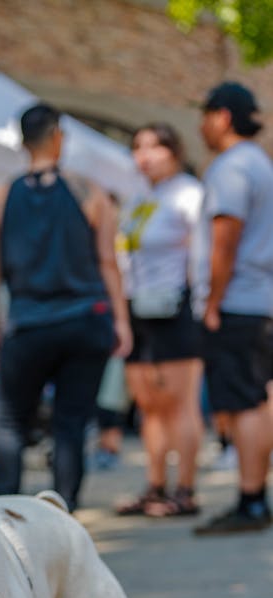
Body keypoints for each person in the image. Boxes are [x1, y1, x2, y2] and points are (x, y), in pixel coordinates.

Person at [0, 103, 131, 511]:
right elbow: (107, 262)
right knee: (71, 423)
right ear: (58, 136)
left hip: (27, 324)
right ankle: (63, 515)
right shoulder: (89, 192)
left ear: (23, 142)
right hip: (86, 320)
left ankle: (4, 509)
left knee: (7, 420)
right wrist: (121, 320)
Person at [193, 82, 273, 535]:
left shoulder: (232, 166)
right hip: (258, 299)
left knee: (243, 405)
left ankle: (251, 500)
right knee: (258, 401)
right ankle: (255, 495)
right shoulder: (260, 163)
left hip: (237, 302)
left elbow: (226, 237)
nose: (202, 125)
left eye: (205, 115)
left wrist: (213, 302)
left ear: (222, 116)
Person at [116, 124, 204, 517]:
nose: (145, 155)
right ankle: (155, 486)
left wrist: (200, 304)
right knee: (149, 403)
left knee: (179, 402)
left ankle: (185, 489)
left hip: (176, 306)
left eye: (155, 146)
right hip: (138, 307)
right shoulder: (138, 199)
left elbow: (202, 254)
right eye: (138, 147)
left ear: (174, 151)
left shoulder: (189, 193)